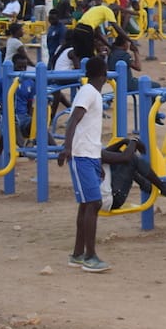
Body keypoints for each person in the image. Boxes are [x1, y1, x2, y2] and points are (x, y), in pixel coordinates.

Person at [57, 57, 112, 273]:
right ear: (104, 75)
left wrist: (97, 159)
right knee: (93, 203)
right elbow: (73, 120)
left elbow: (88, 128)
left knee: (87, 204)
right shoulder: (88, 92)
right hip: (81, 156)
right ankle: (90, 256)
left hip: (90, 155)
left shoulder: (92, 93)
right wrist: (67, 147)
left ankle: (78, 254)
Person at [100, 135, 166, 212]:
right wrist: (134, 141)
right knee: (132, 159)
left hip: (99, 199)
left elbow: (106, 153)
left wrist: (123, 142)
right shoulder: (94, 152)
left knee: (118, 157)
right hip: (112, 200)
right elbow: (126, 157)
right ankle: (165, 188)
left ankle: (147, 186)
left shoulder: (92, 151)